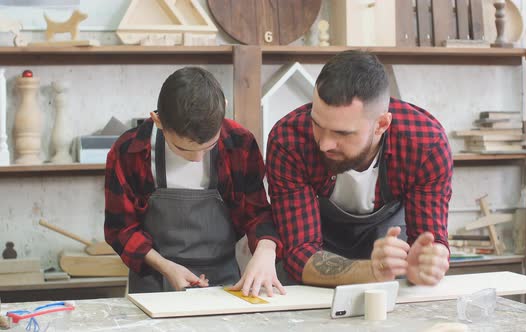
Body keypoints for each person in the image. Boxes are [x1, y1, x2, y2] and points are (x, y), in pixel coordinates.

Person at [266, 50, 453, 287]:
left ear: (381, 125)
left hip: (390, 259)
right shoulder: (289, 140)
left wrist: (426, 266)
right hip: (315, 271)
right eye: (317, 124)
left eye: (342, 133)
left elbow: (429, 242)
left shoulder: (425, 145)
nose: (324, 144)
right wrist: (371, 270)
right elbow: (299, 253)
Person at [105, 67, 285, 296]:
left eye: (209, 146)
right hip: (154, 281)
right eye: (182, 149)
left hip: (225, 281)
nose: (197, 158)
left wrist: (266, 250)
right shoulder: (130, 151)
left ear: (224, 109)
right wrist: (166, 267)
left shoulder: (239, 143)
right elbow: (120, 229)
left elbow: (257, 212)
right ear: (158, 120)